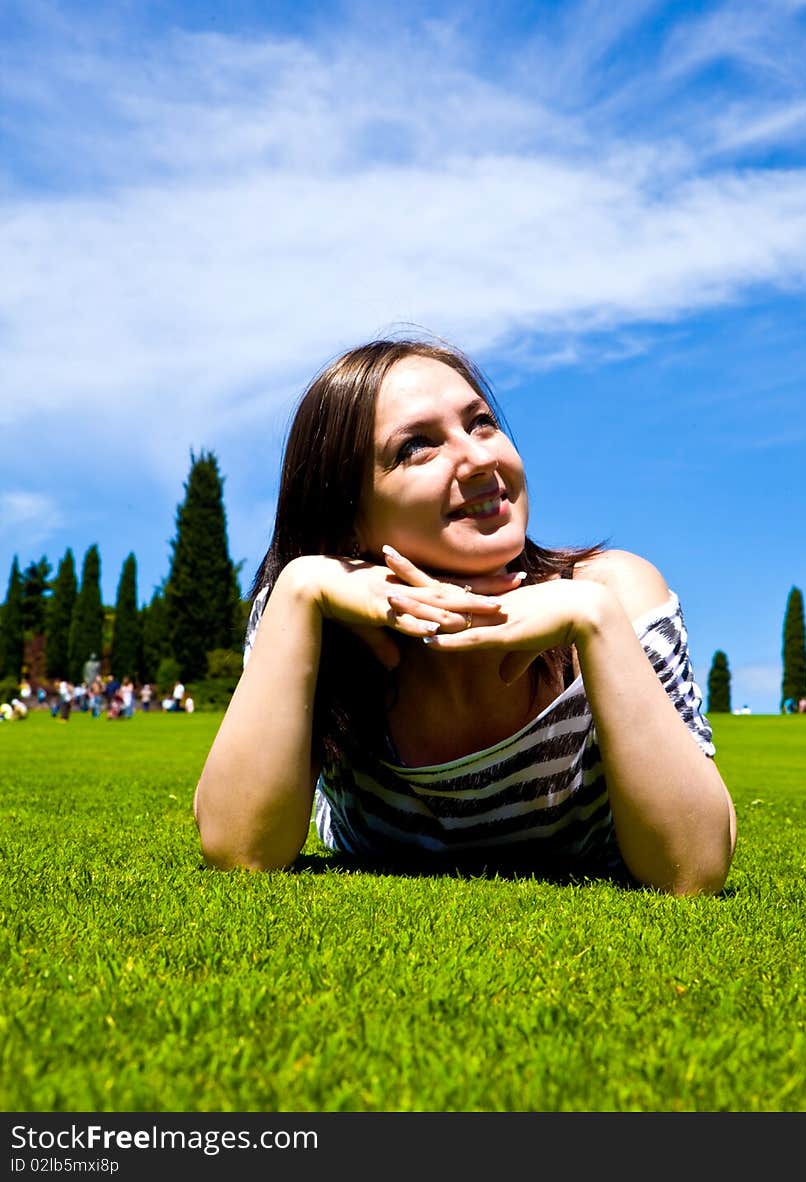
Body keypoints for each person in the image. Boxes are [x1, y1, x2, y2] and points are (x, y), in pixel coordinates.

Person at [194, 336, 737, 895]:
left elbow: (693, 868)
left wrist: (595, 621)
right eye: (417, 447)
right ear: (347, 516)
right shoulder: (311, 610)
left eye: (480, 423)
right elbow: (241, 851)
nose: (479, 458)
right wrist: (299, 589)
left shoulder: (614, 594)